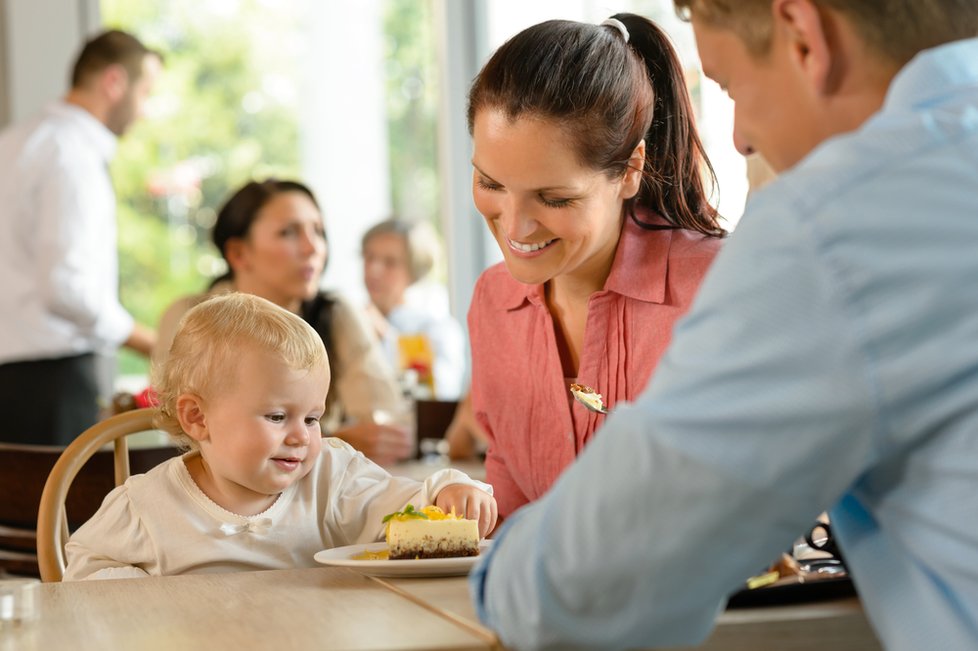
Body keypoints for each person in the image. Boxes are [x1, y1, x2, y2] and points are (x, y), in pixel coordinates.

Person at [471, 2, 978, 650]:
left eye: (732, 85)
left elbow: (573, 588)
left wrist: (501, 566)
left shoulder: (830, 230)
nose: (738, 137)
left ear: (803, 34)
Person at [466, 14, 725, 519]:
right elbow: (511, 514)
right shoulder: (494, 302)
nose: (515, 228)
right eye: (491, 184)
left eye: (555, 198)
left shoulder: (718, 289)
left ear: (630, 170)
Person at [65, 293, 496, 579]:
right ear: (197, 418)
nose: (301, 437)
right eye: (276, 416)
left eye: (312, 418)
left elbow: (406, 508)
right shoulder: (145, 507)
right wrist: (149, 602)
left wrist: (451, 489)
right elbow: (84, 569)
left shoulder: (332, 478)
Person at [156, 179, 414, 466]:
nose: (312, 247)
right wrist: (337, 441)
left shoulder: (336, 313)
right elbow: (181, 436)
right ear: (238, 253)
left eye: (318, 231)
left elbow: (390, 423)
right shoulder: (188, 317)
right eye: (288, 233)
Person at [0, 30, 161, 445]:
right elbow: (65, 287)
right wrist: (151, 342)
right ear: (114, 82)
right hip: (51, 382)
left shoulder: (14, 142)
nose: (145, 111)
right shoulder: (72, 155)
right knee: (59, 510)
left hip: (13, 379)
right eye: (146, 92)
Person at [361, 217, 466, 400]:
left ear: (414, 270)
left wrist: (386, 337)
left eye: (390, 262)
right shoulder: (349, 319)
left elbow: (438, 395)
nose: (374, 270)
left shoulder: (439, 329)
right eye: (369, 257)